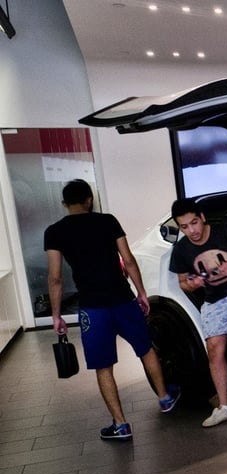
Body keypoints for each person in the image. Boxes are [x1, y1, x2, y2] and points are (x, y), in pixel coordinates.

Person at [44, 179, 179, 441]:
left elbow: (55, 277)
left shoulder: (54, 232)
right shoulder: (108, 221)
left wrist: (56, 314)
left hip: (92, 308)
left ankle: (120, 424)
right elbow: (128, 260)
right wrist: (141, 291)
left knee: (103, 367)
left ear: (64, 204)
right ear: (89, 200)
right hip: (123, 299)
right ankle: (164, 398)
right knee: (146, 349)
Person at [168, 199, 227, 427]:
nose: (191, 231)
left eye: (194, 223)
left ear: (202, 217)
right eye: (184, 227)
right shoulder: (181, 249)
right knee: (213, 346)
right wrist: (191, 284)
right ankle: (225, 407)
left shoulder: (223, 230)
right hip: (214, 296)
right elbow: (182, 281)